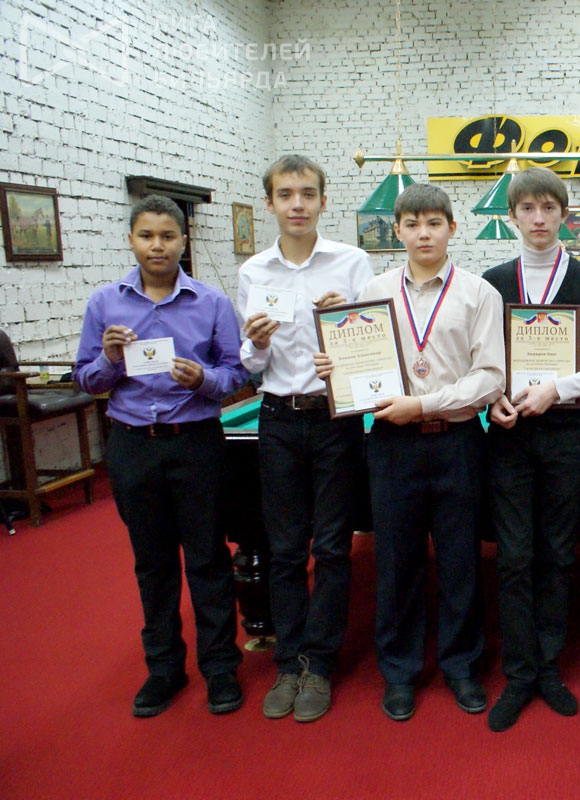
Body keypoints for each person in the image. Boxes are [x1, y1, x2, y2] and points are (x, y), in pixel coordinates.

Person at [318, 184, 504, 722]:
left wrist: (422, 404)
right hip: (391, 445)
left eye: (434, 223)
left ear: (451, 228)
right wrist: (334, 368)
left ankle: (461, 666)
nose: (424, 233)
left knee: (461, 560)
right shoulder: (373, 291)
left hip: (458, 441)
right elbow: (357, 362)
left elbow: (490, 378)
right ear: (397, 230)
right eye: (413, 224)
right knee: (396, 563)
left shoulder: (478, 293)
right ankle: (399, 671)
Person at [76, 195, 249, 717]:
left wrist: (205, 380)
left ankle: (220, 668)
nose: (158, 246)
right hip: (132, 445)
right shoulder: (105, 303)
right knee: (152, 564)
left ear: (183, 241)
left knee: (208, 559)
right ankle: (164, 669)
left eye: (168, 236)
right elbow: (86, 379)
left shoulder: (211, 302)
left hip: (196, 443)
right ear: (131, 240)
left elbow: (238, 373)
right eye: (147, 236)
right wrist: (109, 359)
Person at [481, 167, 580, 732]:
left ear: (565, 215)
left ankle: (548, 667)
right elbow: (478, 359)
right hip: (510, 436)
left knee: (558, 554)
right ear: (512, 217)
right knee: (514, 557)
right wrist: (492, 396)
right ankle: (519, 674)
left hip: (566, 436)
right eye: (527, 209)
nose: (538, 218)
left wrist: (557, 389)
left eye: (548, 208)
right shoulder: (493, 281)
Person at [237, 154, 374, 722]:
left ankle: (320, 663)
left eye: (308, 194)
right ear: (270, 202)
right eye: (286, 194)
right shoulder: (253, 271)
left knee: (333, 548)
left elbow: (372, 349)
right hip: (276, 417)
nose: (298, 204)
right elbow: (250, 363)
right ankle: (288, 662)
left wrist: (349, 324)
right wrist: (257, 343)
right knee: (286, 550)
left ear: (323, 200)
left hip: (335, 419)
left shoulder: (352, 262)